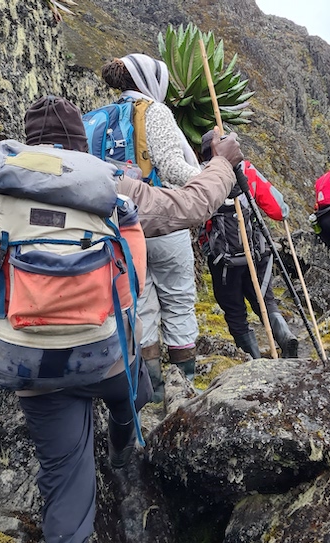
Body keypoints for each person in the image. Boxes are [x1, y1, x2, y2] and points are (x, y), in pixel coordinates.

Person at [0, 95, 244, 543]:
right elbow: (190, 206)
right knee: (130, 389)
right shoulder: (109, 183)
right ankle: (123, 444)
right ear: (80, 144)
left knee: (62, 472)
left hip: (27, 360)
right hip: (104, 352)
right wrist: (220, 163)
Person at [100, 54, 203, 402]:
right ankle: (183, 388)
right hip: (164, 222)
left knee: (140, 305)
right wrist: (211, 180)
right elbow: (173, 166)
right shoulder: (154, 111)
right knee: (178, 300)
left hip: (124, 227)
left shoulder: (103, 116)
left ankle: (152, 392)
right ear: (151, 80)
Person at [198, 131, 299, 359]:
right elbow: (277, 209)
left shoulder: (201, 175)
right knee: (265, 300)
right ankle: (285, 338)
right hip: (256, 252)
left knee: (235, 312)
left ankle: (253, 360)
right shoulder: (247, 170)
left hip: (222, 259)